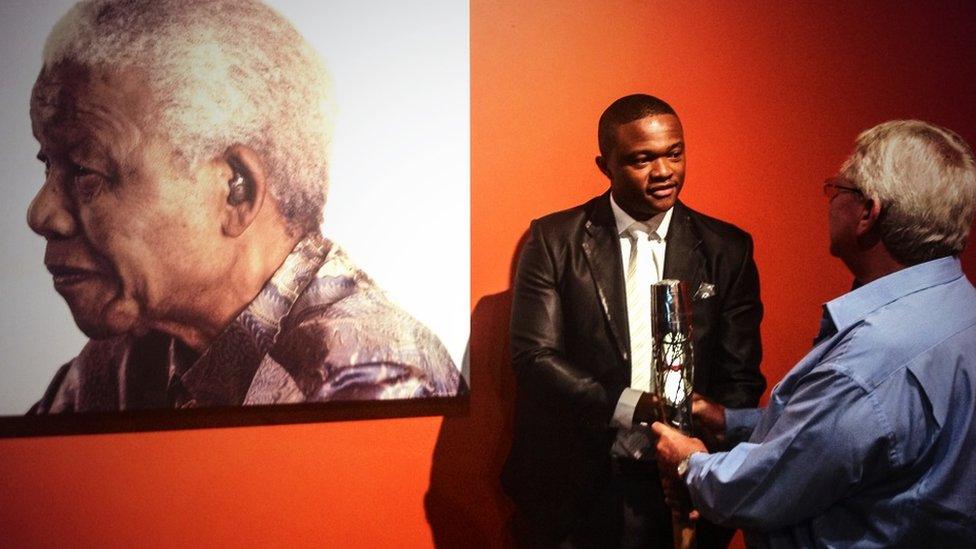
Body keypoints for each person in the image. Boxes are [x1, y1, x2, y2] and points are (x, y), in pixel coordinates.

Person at [26, 0, 460, 413]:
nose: (41, 214)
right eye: (48, 166)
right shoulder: (117, 365)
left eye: (86, 172)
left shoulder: (368, 377)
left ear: (238, 190)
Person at [653, 120, 976, 547]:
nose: (828, 202)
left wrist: (689, 463)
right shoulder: (959, 305)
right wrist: (731, 422)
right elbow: (854, 438)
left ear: (868, 212)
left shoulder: (867, 364)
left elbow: (758, 490)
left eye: (836, 189)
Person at [503, 94, 766, 547]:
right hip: (580, 483)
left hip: (686, 481)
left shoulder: (728, 248)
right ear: (605, 165)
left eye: (674, 153)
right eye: (642, 159)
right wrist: (631, 404)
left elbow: (740, 376)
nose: (664, 171)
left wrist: (707, 466)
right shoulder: (554, 239)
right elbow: (534, 358)